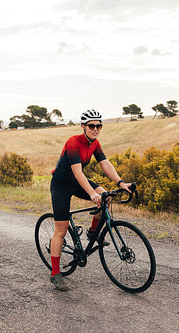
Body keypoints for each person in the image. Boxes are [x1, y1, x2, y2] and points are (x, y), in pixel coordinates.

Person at [49, 109, 132, 291]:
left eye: (99, 126)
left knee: (106, 197)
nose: (95, 129)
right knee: (61, 231)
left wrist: (120, 182)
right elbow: (77, 172)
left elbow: (105, 163)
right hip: (61, 185)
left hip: (78, 182)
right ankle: (55, 274)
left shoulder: (95, 143)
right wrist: (92, 194)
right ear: (83, 126)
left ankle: (92, 233)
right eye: (92, 126)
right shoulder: (73, 142)